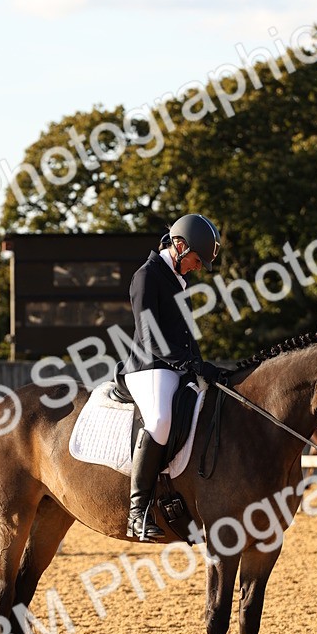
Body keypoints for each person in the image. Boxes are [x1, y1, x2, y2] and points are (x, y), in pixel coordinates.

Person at [122, 213, 223, 541]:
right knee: (161, 419)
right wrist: (187, 363)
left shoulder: (178, 279)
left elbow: (185, 334)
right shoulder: (147, 277)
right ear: (180, 246)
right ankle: (137, 512)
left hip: (175, 366)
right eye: (196, 259)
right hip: (148, 367)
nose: (198, 266)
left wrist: (202, 364)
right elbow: (149, 336)